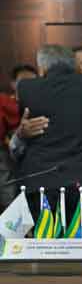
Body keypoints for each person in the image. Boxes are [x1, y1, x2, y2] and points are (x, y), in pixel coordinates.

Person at [15, 45, 82, 232]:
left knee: (44, 252)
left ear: (42, 68)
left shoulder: (27, 89)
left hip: (41, 185)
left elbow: (26, 131)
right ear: (73, 65)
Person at [0, 65, 33, 209]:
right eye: (23, 81)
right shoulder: (5, 100)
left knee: (9, 195)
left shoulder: (5, 101)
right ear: (13, 83)